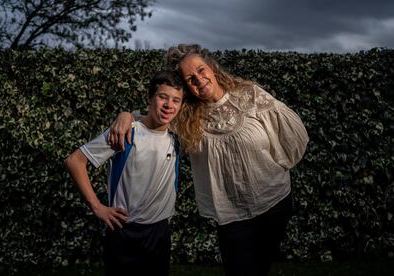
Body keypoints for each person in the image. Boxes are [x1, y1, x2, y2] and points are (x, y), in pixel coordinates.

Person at [108, 44, 309, 276]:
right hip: (232, 215)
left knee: (261, 268)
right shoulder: (185, 116)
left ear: (212, 67)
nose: (199, 80)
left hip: (274, 201)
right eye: (190, 78)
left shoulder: (249, 94)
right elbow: (150, 118)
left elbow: (289, 131)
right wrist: (125, 115)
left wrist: (281, 164)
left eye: (201, 70)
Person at [64, 70, 186, 276]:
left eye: (176, 100)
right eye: (162, 97)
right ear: (150, 98)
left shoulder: (178, 135)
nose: (169, 105)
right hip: (124, 230)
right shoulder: (126, 132)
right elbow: (74, 161)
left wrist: (127, 113)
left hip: (159, 232)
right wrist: (97, 207)